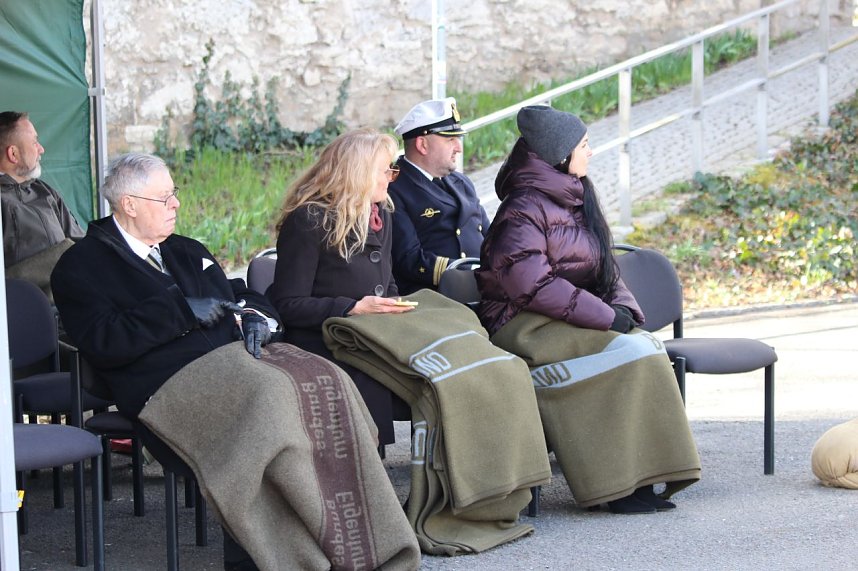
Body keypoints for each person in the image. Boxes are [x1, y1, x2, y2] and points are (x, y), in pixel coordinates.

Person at [51, 153, 420, 570]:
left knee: (328, 380)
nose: (176, 204)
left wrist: (260, 320)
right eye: (164, 197)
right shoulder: (81, 266)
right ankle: (293, 557)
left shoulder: (185, 250)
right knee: (273, 401)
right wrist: (179, 312)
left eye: (174, 194)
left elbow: (241, 295)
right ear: (129, 204)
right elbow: (104, 341)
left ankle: (368, 545)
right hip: (166, 385)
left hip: (237, 362)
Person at [476, 105, 701, 514]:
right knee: (626, 354)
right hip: (523, 325)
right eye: (584, 145)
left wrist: (622, 308)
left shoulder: (575, 197)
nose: (591, 152)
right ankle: (615, 486)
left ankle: (646, 477)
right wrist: (603, 316)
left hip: (569, 317)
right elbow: (530, 285)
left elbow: (605, 267)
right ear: (559, 154)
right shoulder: (523, 208)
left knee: (645, 347)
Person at [268, 128, 415, 447]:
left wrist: (392, 306)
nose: (391, 177)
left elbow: (386, 281)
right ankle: (366, 478)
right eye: (385, 169)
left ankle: (435, 488)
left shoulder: (380, 214)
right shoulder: (308, 219)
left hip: (369, 335)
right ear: (358, 173)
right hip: (325, 342)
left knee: (435, 371)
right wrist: (351, 308)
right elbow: (288, 304)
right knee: (368, 375)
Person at [387, 97, 489, 294]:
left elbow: (491, 234)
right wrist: (471, 272)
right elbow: (409, 258)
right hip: (438, 297)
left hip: (483, 289)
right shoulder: (394, 188)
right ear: (422, 145)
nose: (459, 147)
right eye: (450, 139)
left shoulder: (462, 182)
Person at [1, 111, 84, 298]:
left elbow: (80, 246)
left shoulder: (44, 191)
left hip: (73, 308)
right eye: (34, 142)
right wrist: (58, 257)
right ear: (13, 153)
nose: (41, 149)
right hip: (25, 315)